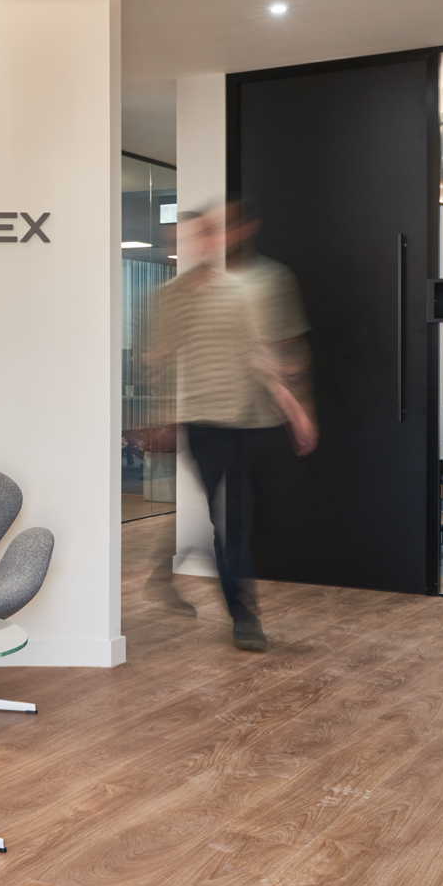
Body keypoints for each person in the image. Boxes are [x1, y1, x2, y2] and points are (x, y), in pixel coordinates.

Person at [144, 199, 316, 651]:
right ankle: (243, 615)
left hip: (249, 423)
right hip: (204, 426)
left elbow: (257, 354)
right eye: (192, 237)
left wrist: (294, 409)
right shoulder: (168, 298)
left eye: (209, 234)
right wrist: (162, 416)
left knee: (237, 523)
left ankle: (232, 602)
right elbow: (160, 362)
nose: (203, 244)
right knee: (227, 524)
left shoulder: (238, 292)